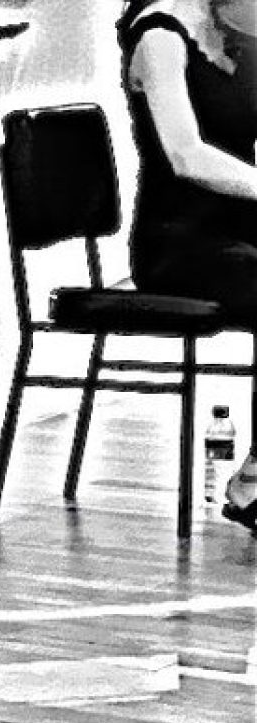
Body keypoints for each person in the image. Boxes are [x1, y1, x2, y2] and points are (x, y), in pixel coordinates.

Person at [118, 0, 257, 529]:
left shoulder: (233, 33)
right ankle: (255, 479)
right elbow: (186, 155)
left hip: (240, 231)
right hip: (179, 243)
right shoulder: (159, 34)